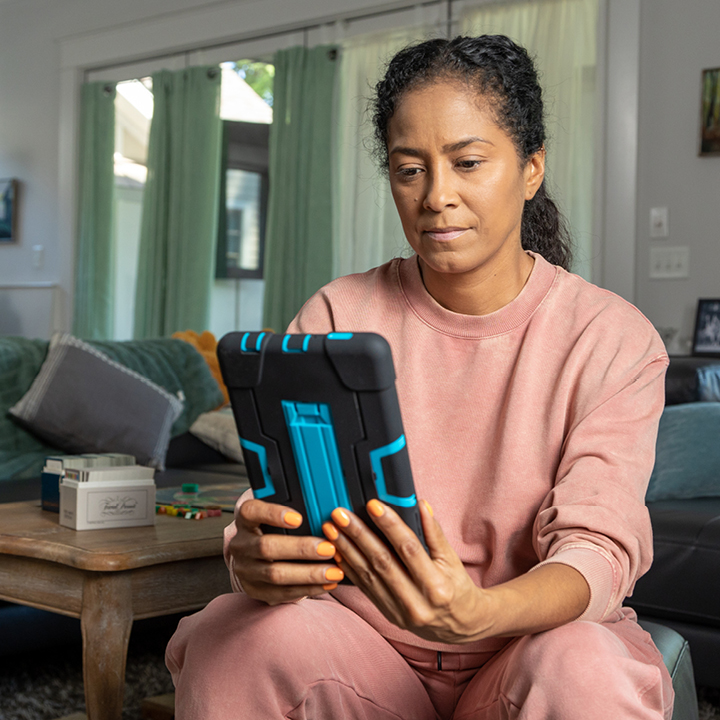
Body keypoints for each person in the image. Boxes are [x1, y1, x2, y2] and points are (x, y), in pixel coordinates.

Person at [166, 35, 673, 719]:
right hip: (359, 648)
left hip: (518, 645)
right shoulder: (336, 312)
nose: (437, 197)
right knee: (237, 640)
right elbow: (283, 501)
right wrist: (257, 555)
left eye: (467, 163)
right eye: (410, 171)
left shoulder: (610, 337)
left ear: (531, 169)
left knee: (585, 668)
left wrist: (476, 612)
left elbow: (597, 549)